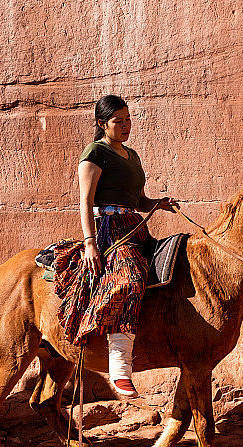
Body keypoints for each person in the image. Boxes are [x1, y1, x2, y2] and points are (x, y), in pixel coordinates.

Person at [54, 94, 176, 398]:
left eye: (128, 119)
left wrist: (158, 204)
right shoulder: (95, 153)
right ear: (102, 124)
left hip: (135, 227)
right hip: (108, 231)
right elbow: (84, 201)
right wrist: (91, 243)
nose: (125, 125)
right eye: (117, 121)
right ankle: (120, 369)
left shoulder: (131, 155)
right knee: (130, 279)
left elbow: (138, 199)